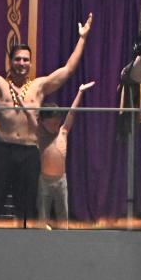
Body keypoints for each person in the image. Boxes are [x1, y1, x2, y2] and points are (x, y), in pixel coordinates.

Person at [0, 9, 93, 224]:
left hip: (29, 152)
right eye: (18, 59)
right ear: (11, 61)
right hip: (3, 150)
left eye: (26, 60)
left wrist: (82, 38)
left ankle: (24, 250)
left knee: (26, 209)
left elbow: (69, 69)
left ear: (31, 63)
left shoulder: (39, 86)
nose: (22, 63)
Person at [34, 81, 95, 229]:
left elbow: (72, 112)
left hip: (61, 180)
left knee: (63, 216)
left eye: (57, 122)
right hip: (44, 181)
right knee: (42, 216)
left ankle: (63, 237)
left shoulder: (63, 132)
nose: (56, 126)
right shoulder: (40, 134)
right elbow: (30, 116)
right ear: (42, 122)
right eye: (52, 123)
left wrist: (80, 92)